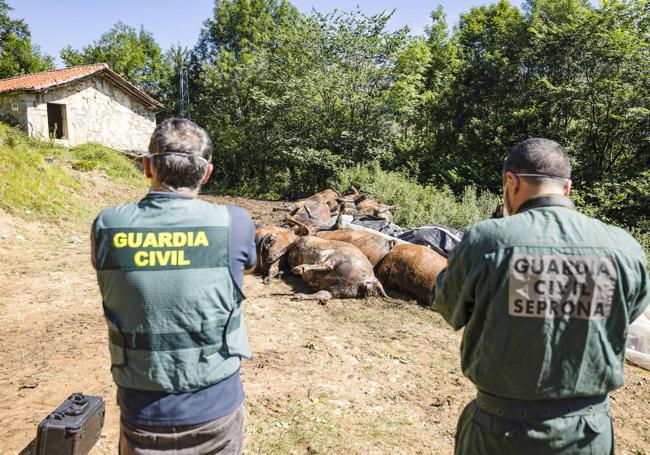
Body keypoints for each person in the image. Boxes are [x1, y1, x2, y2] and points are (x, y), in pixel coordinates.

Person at [432, 138, 650, 454]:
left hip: (498, 433)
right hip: (587, 436)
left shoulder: (487, 240)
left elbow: (447, 305)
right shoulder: (625, 248)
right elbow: (627, 314)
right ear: (567, 188)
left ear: (511, 181)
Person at [91, 118, 256, 454]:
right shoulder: (235, 223)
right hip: (217, 407)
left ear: (147, 167)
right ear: (206, 173)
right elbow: (248, 268)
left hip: (143, 411)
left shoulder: (107, 225)